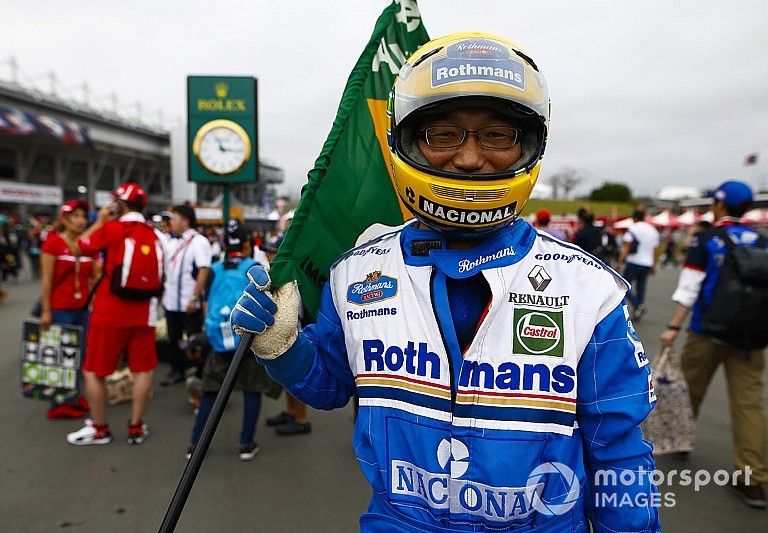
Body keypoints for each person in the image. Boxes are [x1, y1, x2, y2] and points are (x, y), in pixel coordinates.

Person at [231, 33, 659, 532]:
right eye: (443, 135)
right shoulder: (357, 271)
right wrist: (282, 346)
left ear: (530, 144)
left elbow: (622, 454)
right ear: (407, 142)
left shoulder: (588, 288)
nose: (471, 158)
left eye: (497, 135)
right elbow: (329, 387)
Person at [660, 180, 767, 508]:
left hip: (706, 331)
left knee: (690, 388)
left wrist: (673, 327)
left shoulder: (707, 240)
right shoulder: (762, 241)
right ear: (747, 208)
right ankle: (752, 479)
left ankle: (680, 441)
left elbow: (690, 287)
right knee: (748, 404)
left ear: (719, 206)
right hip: (750, 336)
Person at [66, 182, 163, 446]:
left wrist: (101, 219)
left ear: (119, 204)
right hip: (145, 312)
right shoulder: (155, 235)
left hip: (110, 312)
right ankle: (136, 427)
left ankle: (100, 429)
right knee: (143, 369)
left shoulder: (113, 229)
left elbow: (80, 246)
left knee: (93, 370)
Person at [186, 220, 282, 461]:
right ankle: (246, 444)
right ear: (248, 244)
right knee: (251, 390)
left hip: (218, 339)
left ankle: (196, 444)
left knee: (210, 391)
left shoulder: (215, 269)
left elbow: (206, 304)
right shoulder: (254, 267)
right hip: (247, 338)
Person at [40, 200, 100, 419]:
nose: (80, 221)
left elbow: (95, 277)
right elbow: (46, 281)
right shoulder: (52, 243)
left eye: (83, 217)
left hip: (83, 309)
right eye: (75, 216)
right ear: (65, 219)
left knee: (81, 354)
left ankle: (73, 395)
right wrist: (46, 311)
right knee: (62, 354)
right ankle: (59, 402)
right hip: (60, 308)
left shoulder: (87, 245)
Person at [260, 234, 313, 436]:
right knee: (286, 378)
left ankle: (301, 418)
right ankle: (291, 412)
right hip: (286, 334)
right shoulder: (279, 274)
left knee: (296, 375)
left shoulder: (293, 276)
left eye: (272, 252)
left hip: (297, 333)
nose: (268, 255)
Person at [160, 204, 212, 386]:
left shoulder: (199, 242)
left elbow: (203, 271)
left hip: (189, 302)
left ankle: (199, 373)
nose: (171, 222)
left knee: (194, 340)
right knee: (173, 338)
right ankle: (177, 371)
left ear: (185, 221)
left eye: (174, 218)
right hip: (171, 302)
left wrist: (194, 297)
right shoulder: (172, 241)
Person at [618, 209, 660, 321]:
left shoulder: (633, 229)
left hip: (633, 261)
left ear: (634, 218)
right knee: (641, 287)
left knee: (624, 286)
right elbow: (655, 250)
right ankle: (638, 309)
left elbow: (626, 246)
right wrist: (653, 264)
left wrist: (620, 260)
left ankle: (638, 306)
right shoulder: (652, 230)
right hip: (647, 263)